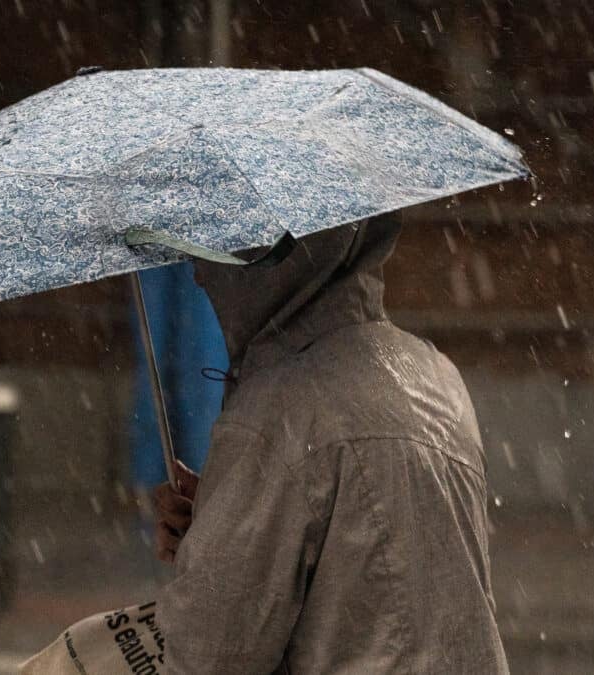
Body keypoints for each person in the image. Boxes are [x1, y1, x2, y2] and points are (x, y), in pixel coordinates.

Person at [153, 215, 508, 674]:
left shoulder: (276, 413)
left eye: (217, 250)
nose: (200, 275)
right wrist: (221, 522)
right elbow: (381, 574)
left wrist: (209, 566)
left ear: (268, 259)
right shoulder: (435, 374)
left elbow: (209, 655)